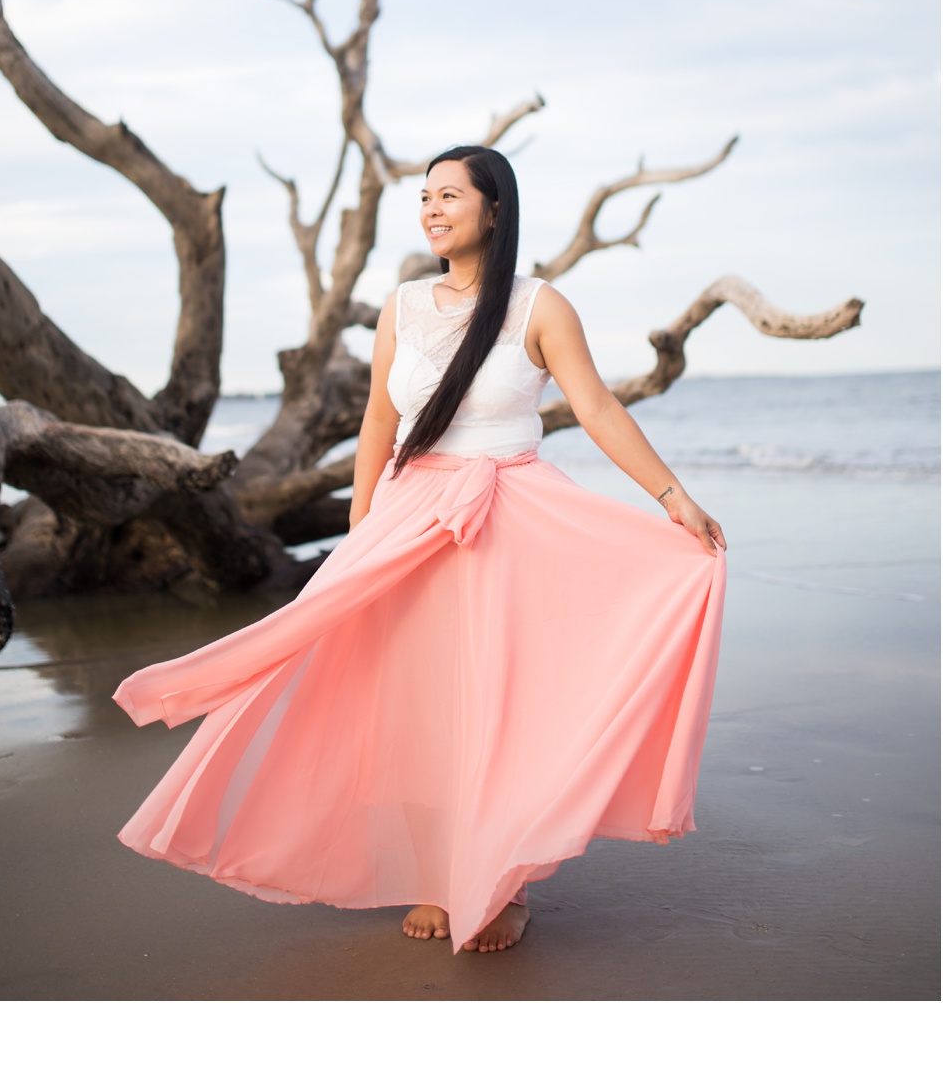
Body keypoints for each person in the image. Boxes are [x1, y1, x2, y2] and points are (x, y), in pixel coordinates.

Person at [112, 144, 727, 955]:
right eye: (425, 197)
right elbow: (378, 424)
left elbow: (600, 409)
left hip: (511, 519)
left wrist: (673, 496)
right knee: (415, 702)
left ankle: (501, 883)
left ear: (494, 209)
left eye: (450, 196)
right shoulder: (403, 305)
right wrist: (361, 536)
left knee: (495, 701)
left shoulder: (541, 306)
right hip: (411, 522)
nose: (433, 209)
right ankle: (440, 874)